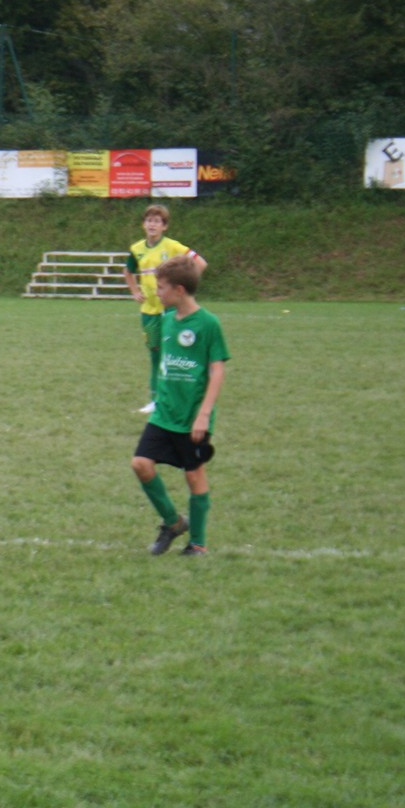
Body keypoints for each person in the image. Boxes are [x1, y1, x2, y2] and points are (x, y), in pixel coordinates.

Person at [130, 254, 229, 558]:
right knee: (141, 464)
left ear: (180, 290)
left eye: (161, 287)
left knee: (193, 475)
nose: (156, 292)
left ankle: (197, 543)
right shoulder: (166, 321)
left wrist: (203, 415)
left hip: (192, 416)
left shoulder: (208, 324)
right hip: (164, 412)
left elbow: (217, 370)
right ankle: (173, 523)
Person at [123, 203, 206, 414]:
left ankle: (184, 396)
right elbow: (128, 271)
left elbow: (200, 263)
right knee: (155, 355)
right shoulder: (137, 249)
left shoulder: (172, 247)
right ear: (143, 224)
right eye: (149, 220)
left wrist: (186, 290)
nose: (152, 225)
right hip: (149, 311)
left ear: (164, 226)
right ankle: (156, 400)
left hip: (170, 310)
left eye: (157, 221)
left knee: (176, 354)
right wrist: (134, 291)